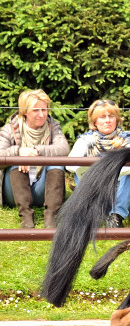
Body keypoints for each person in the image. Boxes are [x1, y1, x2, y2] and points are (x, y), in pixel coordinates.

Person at [0, 90, 68, 228]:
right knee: (15, 163)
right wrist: (20, 153)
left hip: (42, 189)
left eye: (44, 109)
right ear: (25, 111)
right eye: (36, 110)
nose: (42, 114)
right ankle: (26, 218)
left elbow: (64, 148)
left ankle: (51, 217)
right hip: (14, 192)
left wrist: (37, 151)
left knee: (57, 164)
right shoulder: (9, 129)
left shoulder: (53, 126)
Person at [67, 99, 130, 228]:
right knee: (79, 172)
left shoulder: (127, 138)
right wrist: (98, 172)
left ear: (116, 119)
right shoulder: (86, 140)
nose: (107, 120)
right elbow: (70, 165)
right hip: (96, 188)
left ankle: (116, 216)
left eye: (111, 116)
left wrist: (110, 172)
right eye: (102, 117)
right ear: (95, 121)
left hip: (119, 189)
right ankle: (89, 213)